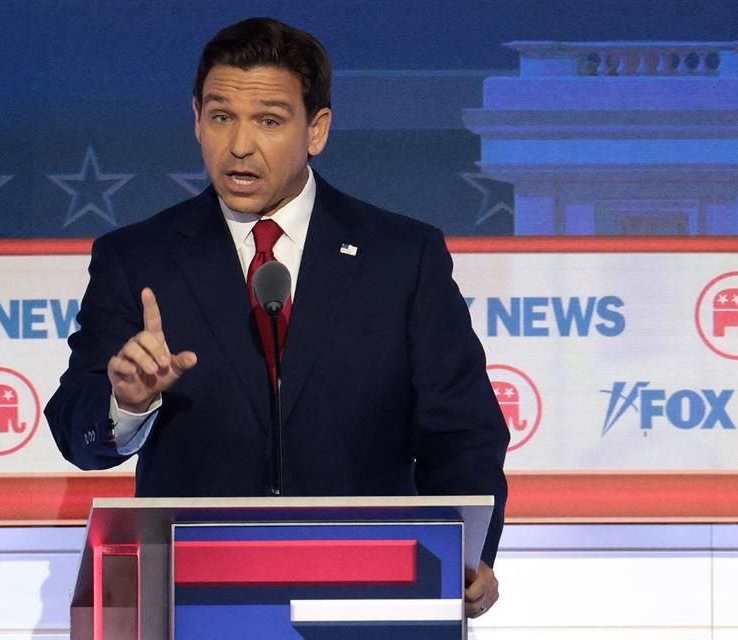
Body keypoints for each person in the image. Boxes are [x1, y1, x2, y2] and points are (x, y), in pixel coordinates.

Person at [45, 17, 508, 618]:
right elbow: (75, 430)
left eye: (268, 120)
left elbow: (462, 429)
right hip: (194, 597)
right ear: (196, 119)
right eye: (220, 117)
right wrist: (127, 403)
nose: (239, 145)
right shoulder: (138, 258)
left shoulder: (401, 256)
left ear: (316, 130)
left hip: (372, 590)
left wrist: (467, 553)